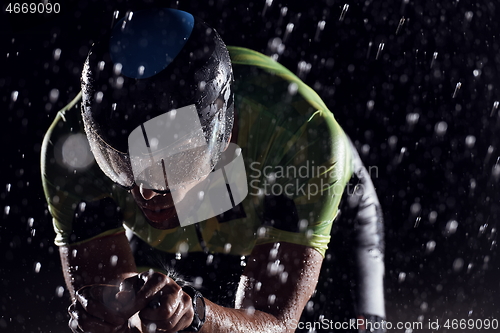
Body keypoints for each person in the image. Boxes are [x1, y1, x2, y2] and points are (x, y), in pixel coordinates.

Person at [41, 7, 386, 333]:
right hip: (211, 221)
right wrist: (109, 314)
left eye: (169, 161)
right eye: (120, 162)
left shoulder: (301, 137)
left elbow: (276, 324)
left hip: (324, 213)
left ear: (219, 129)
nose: (144, 193)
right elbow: (115, 318)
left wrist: (198, 314)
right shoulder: (71, 149)